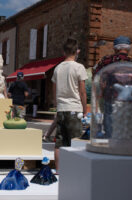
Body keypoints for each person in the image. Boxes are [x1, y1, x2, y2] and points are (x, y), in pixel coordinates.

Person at [51, 38, 87, 171]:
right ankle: (74, 171)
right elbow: (82, 91)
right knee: (75, 142)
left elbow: (54, 91)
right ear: (76, 51)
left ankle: (59, 170)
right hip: (74, 109)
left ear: (63, 52)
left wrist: (57, 105)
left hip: (61, 108)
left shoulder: (57, 68)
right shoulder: (79, 67)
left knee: (59, 142)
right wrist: (84, 109)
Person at [92, 36, 131, 138]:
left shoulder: (107, 60)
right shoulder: (130, 62)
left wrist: (102, 86)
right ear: (128, 49)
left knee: (109, 122)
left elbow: (95, 74)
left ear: (115, 48)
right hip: (128, 99)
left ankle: (110, 143)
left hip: (110, 96)